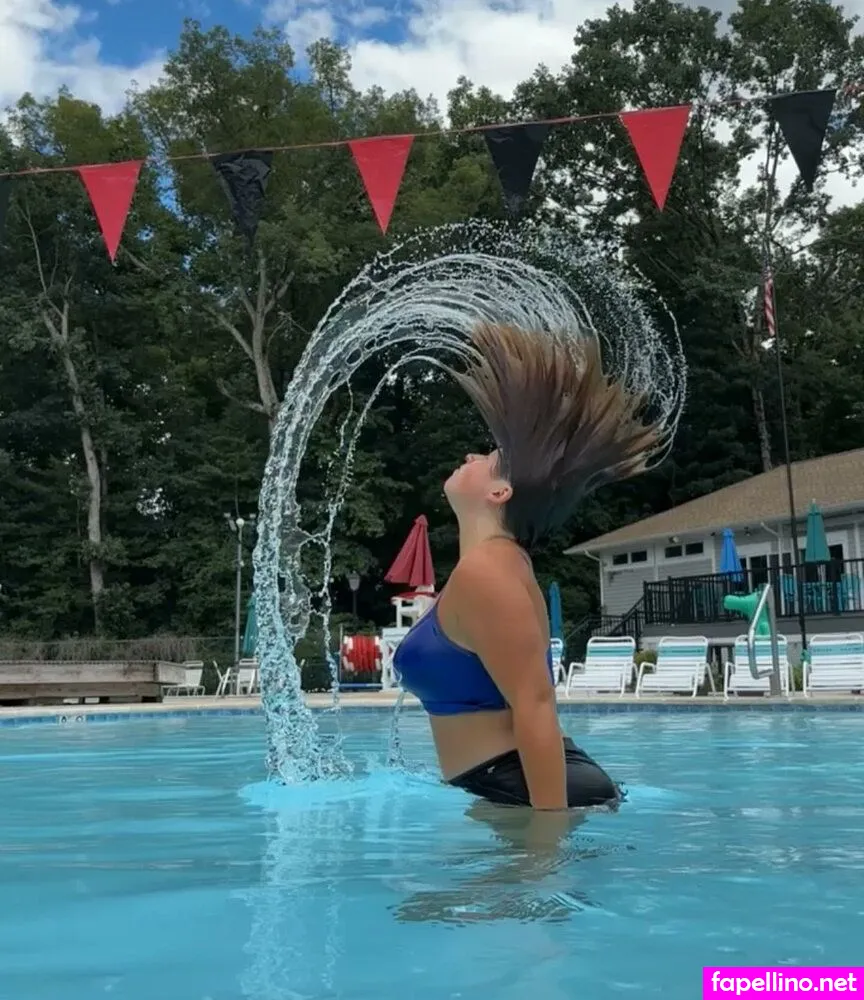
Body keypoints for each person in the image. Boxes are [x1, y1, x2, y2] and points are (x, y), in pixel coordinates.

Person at [393, 321, 663, 811]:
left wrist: (546, 839)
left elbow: (535, 703)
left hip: (526, 787)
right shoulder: (491, 566)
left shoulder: (489, 573)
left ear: (500, 492)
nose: (471, 455)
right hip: (509, 782)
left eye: (488, 457)